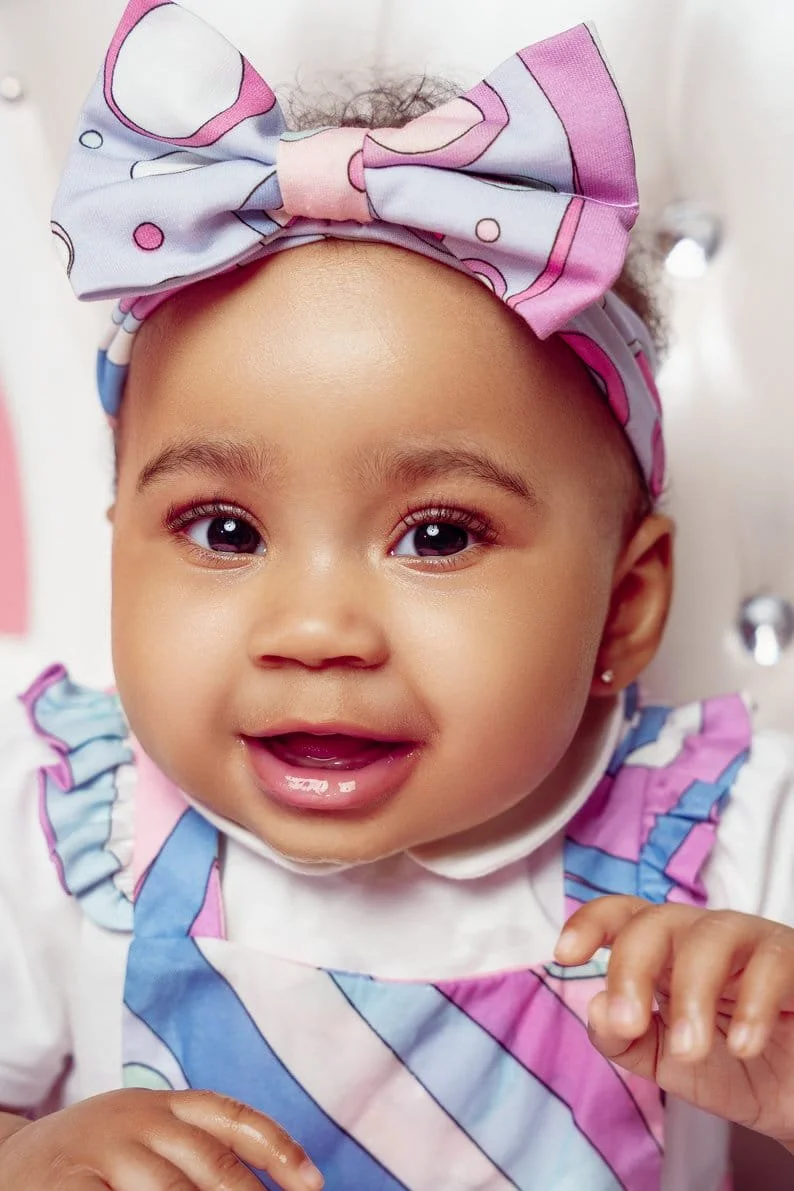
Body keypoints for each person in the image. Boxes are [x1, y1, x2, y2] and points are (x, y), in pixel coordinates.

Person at [2, 2, 794, 1187]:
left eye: (435, 535)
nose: (316, 631)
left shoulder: (732, 842)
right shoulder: (62, 834)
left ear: (624, 612)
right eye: (223, 530)